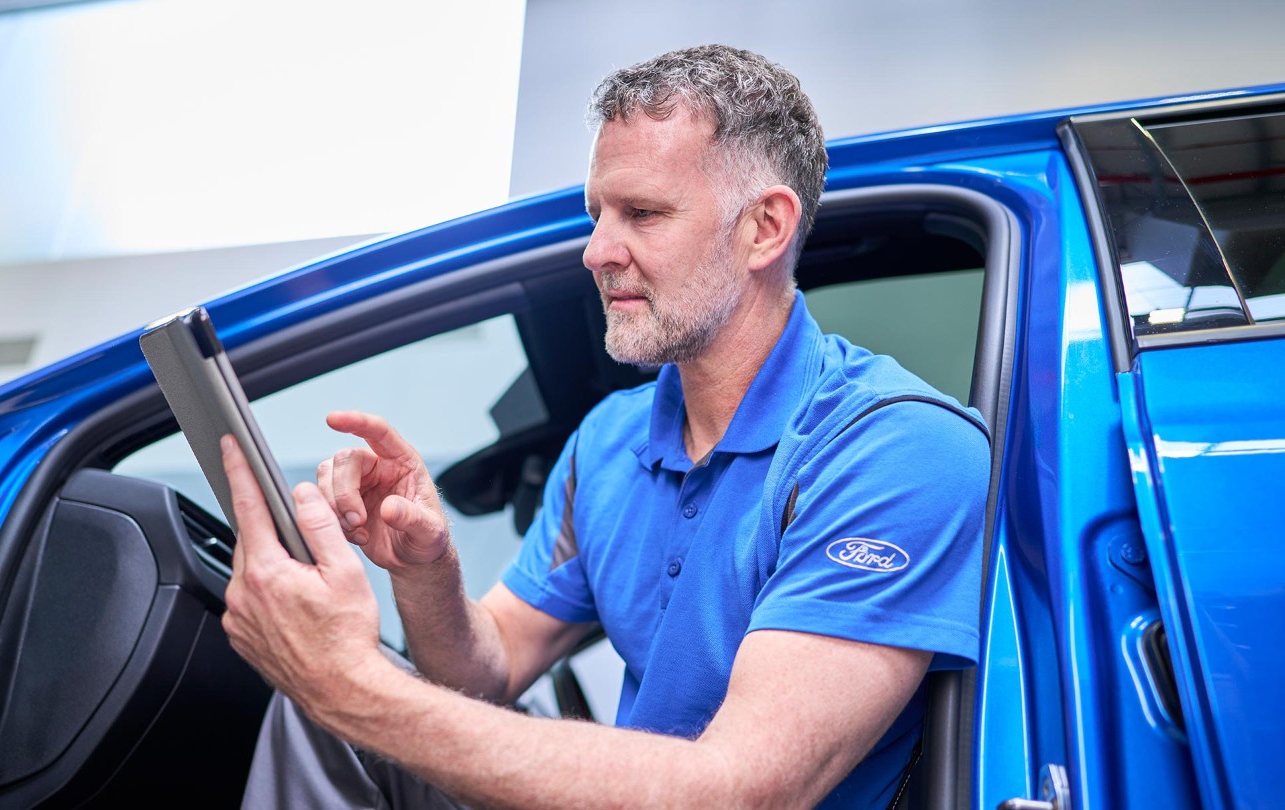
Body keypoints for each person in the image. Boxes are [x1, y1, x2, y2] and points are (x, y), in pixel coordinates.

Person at [221, 44, 990, 809]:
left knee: (342, 708)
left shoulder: (897, 449)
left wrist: (347, 684)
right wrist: (427, 571)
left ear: (764, 228)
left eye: (643, 214)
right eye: (597, 215)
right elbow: (484, 672)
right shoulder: (609, 442)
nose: (595, 251)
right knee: (324, 726)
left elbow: (743, 792)